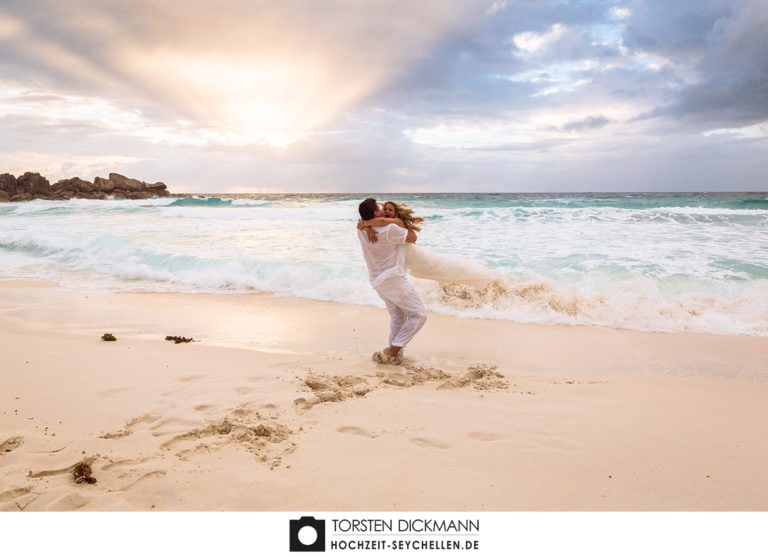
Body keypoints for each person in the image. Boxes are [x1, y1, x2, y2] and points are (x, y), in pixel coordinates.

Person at [359, 200, 498, 287]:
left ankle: (487, 282)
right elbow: (362, 223)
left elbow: (412, 238)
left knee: (443, 268)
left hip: (415, 256)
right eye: (385, 209)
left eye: (391, 210)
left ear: (396, 213)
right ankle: (453, 288)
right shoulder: (382, 225)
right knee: (437, 274)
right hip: (407, 261)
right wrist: (366, 226)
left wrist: (366, 224)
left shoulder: (396, 223)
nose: (387, 211)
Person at [357, 198, 427, 365]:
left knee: (398, 317)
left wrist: (367, 227)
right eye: (380, 208)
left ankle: (395, 358)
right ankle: (393, 350)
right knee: (419, 314)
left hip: (377, 280)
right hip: (393, 279)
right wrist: (397, 221)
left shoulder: (361, 230)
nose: (383, 210)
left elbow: (361, 222)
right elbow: (413, 237)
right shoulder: (390, 229)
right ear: (375, 213)